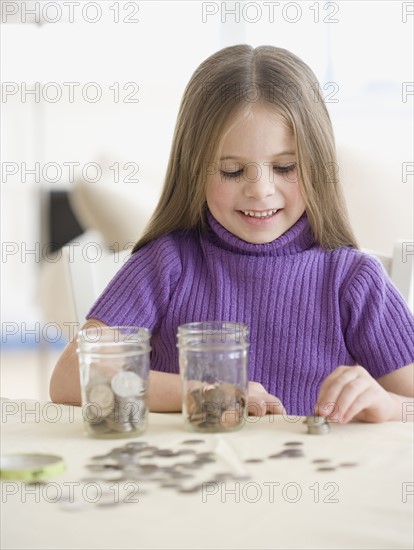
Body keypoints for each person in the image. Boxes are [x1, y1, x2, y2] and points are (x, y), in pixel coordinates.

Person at [50, 44, 414, 422]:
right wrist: (206, 391)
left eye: (286, 167)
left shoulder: (353, 281)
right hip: (184, 477)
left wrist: (387, 406)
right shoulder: (166, 264)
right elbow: (68, 378)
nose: (260, 189)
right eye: (232, 171)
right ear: (195, 171)